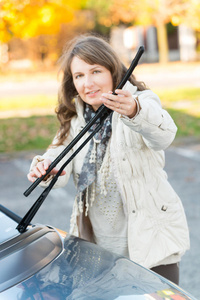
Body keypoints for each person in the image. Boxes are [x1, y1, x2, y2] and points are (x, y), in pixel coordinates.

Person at [27, 34, 190, 284]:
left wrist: (135, 111)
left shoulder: (140, 102)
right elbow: (57, 157)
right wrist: (46, 170)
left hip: (151, 241)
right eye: (79, 76)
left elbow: (164, 135)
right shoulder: (76, 118)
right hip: (99, 247)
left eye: (95, 71)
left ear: (113, 71)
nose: (87, 83)